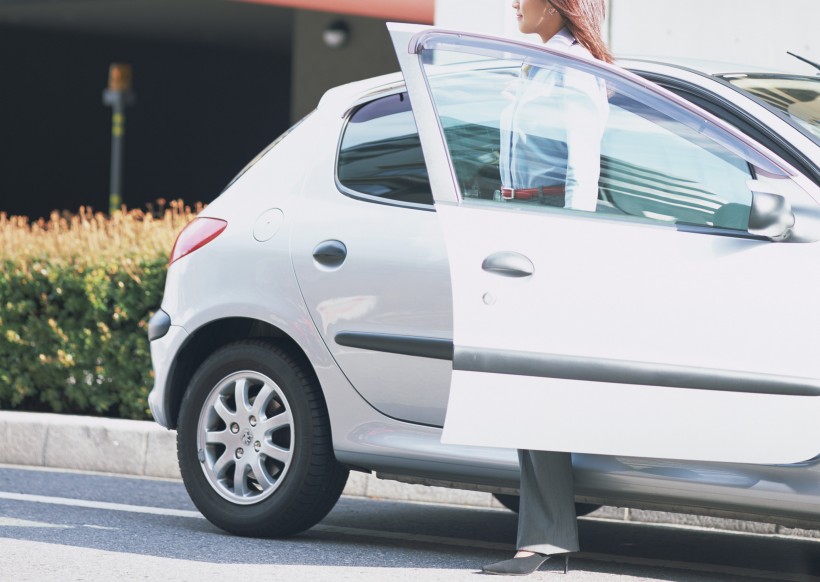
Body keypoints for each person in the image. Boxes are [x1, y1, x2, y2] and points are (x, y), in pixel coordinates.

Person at [482, 0, 612, 576]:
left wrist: (567, 252)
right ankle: (542, 537)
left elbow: (582, 172)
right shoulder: (536, 65)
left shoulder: (574, 69)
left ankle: (546, 540)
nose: (513, 2)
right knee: (525, 387)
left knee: (538, 389)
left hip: (548, 237)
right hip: (522, 230)